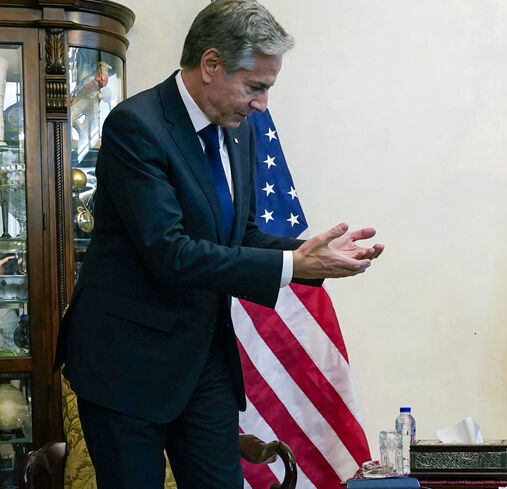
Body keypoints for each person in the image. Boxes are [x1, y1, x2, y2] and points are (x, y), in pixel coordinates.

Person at [53, 1, 384, 487]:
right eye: (255, 86)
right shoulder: (136, 127)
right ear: (211, 65)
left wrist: (315, 258)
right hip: (126, 366)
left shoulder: (239, 132)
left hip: (203, 360)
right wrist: (292, 264)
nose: (262, 104)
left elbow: (240, 236)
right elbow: (171, 252)